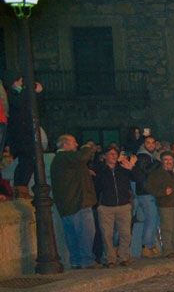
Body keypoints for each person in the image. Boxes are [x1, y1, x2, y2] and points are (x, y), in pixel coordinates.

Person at [50, 135, 99, 269]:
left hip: (68, 204)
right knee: (86, 233)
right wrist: (87, 147)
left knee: (73, 235)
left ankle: (76, 260)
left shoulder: (60, 160)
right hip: (78, 202)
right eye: (73, 142)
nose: (76, 144)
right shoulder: (65, 157)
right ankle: (87, 260)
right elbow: (81, 158)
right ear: (65, 144)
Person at [94, 146, 145, 267]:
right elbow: (94, 187)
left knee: (125, 233)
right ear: (105, 156)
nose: (113, 156)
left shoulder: (122, 169)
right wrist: (97, 204)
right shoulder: (99, 170)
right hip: (106, 206)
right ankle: (110, 259)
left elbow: (140, 178)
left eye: (115, 154)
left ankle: (124, 256)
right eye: (110, 154)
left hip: (123, 205)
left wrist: (132, 168)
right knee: (107, 234)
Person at [145, 151, 174, 257]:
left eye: (170, 159)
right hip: (165, 204)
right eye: (165, 160)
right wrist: (163, 193)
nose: (168, 162)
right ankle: (168, 250)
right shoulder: (157, 174)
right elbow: (149, 188)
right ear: (162, 161)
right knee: (167, 228)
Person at [7, 75, 43, 199]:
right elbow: (19, 106)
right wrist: (20, 91)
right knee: (26, 160)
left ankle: (22, 188)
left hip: (26, 135)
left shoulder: (20, 96)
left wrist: (37, 93)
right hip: (19, 136)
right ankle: (20, 189)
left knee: (29, 161)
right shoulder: (13, 95)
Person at [135, 135, 162, 257]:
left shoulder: (152, 156)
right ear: (144, 144)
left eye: (153, 143)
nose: (151, 145)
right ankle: (146, 246)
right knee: (151, 220)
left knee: (154, 220)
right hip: (145, 192)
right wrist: (157, 162)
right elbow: (147, 171)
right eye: (148, 143)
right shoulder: (142, 156)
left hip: (151, 191)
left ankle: (150, 245)